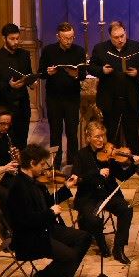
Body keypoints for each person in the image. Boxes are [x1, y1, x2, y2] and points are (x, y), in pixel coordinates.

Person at [5, 143, 91, 277]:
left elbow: (47, 203)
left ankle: (48, 276)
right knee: (70, 256)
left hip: (45, 229)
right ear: (32, 163)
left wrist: (65, 188)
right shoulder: (18, 187)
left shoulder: (35, 182)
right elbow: (25, 220)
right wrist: (50, 214)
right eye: (42, 164)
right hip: (29, 237)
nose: (45, 168)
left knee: (84, 238)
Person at [72, 121, 139, 264]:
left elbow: (122, 176)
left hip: (108, 194)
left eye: (103, 136)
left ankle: (119, 248)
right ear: (88, 137)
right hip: (88, 197)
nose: (101, 140)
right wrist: (97, 173)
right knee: (94, 218)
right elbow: (77, 179)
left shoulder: (109, 153)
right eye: (97, 137)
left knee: (126, 210)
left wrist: (134, 166)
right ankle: (102, 244)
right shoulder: (81, 155)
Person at [88, 20, 139, 176]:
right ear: (110, 36)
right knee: (111, 133)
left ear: (125, 33)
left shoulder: (137, 47)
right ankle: (112, 164)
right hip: (110, 99)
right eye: (116, 37)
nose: (120, 39)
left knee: (132, 133)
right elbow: (91, 67)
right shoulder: (100, 48)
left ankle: (137, 164)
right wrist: (102, 70)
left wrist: (138, 72)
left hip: (131, 98)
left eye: (122, 36)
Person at [38, 22, 87, 169]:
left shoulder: (78, 51)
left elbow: (83, 75)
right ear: (58, 37)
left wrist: (76, 74)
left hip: (72, 98)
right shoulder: (48, 50)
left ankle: (72, 163)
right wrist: (48, 72)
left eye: (71, 37)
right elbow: (41, 73)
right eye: (66, 38)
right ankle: (56, 164)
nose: (69, 41)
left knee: (72, 132)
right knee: (55, 132)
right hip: (54, 98)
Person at [0, 23, 33, 149]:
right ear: (4, 38)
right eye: (12, 39)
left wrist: (31, 82)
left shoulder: (24, 55)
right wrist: (9, 85)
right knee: (6, 142)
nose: (15, 42)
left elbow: (28, 74)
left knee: (22, 140)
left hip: (22, 104)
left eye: (17, 38)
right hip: (4, 106)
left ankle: (21, 167)